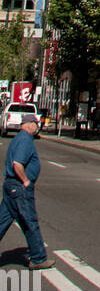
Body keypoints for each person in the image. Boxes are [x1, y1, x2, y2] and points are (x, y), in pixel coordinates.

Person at [0, 113, 54, 269]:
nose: (38, 127)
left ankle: (38, 257)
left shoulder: (18, 138)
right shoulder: (25, 140)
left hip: (12, 187)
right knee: (30, 222)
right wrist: (26, 181)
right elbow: (18, 163)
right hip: (19, 187)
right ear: (29, 124)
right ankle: (38, 258)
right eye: (36, 124)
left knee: (2, 221)